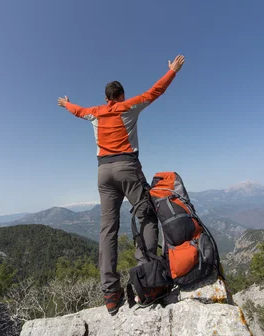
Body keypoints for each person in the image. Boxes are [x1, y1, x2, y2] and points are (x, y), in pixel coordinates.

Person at [57, 55, 186, 315]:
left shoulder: (94, 113)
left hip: (103, 173)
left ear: (106, 97)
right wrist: (171, 71)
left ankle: (111, 295)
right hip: (127, 167)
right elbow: (155, 92)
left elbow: (78, 111)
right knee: (147, 216)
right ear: (121, 95)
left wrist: (67, 103)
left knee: (108, 230)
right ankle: (148, 278)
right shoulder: (129, 107)